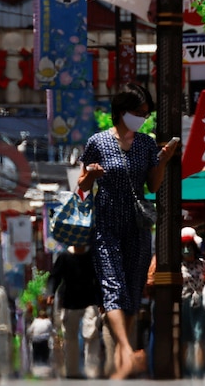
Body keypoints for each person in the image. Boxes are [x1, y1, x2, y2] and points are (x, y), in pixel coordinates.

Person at [77, 84, 178, 379]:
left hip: (137, 225)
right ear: (122, 111)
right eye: (139, 112)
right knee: (112, 287)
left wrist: (164, 161)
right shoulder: (97, 142)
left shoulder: (146, 144)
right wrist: (91, 176)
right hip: (106, 223)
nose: (143, 118)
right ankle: (127, 349)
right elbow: (81, 189)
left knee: (133, 290)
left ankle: (123, 361)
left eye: (146, 113)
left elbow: (154, 186)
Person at [45, 244, 102, 379]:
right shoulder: (64, 256)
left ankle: (92, 370)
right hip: (70, 303)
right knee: (70, 337)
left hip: (90, 301)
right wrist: (51, 293)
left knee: (91, 334)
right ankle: (72, 371)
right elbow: (55, 276)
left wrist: (101, 301)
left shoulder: (92, 255)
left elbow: (98, 279)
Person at [180, 227, 205, 377]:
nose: (187, 250)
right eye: (183, 247)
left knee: (200, 335)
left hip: (200, 302)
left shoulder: (202, 263)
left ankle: (200, 369)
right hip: (184, 302)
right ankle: (185, 368)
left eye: (189, 247)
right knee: (186, 336)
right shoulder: (178, 265)